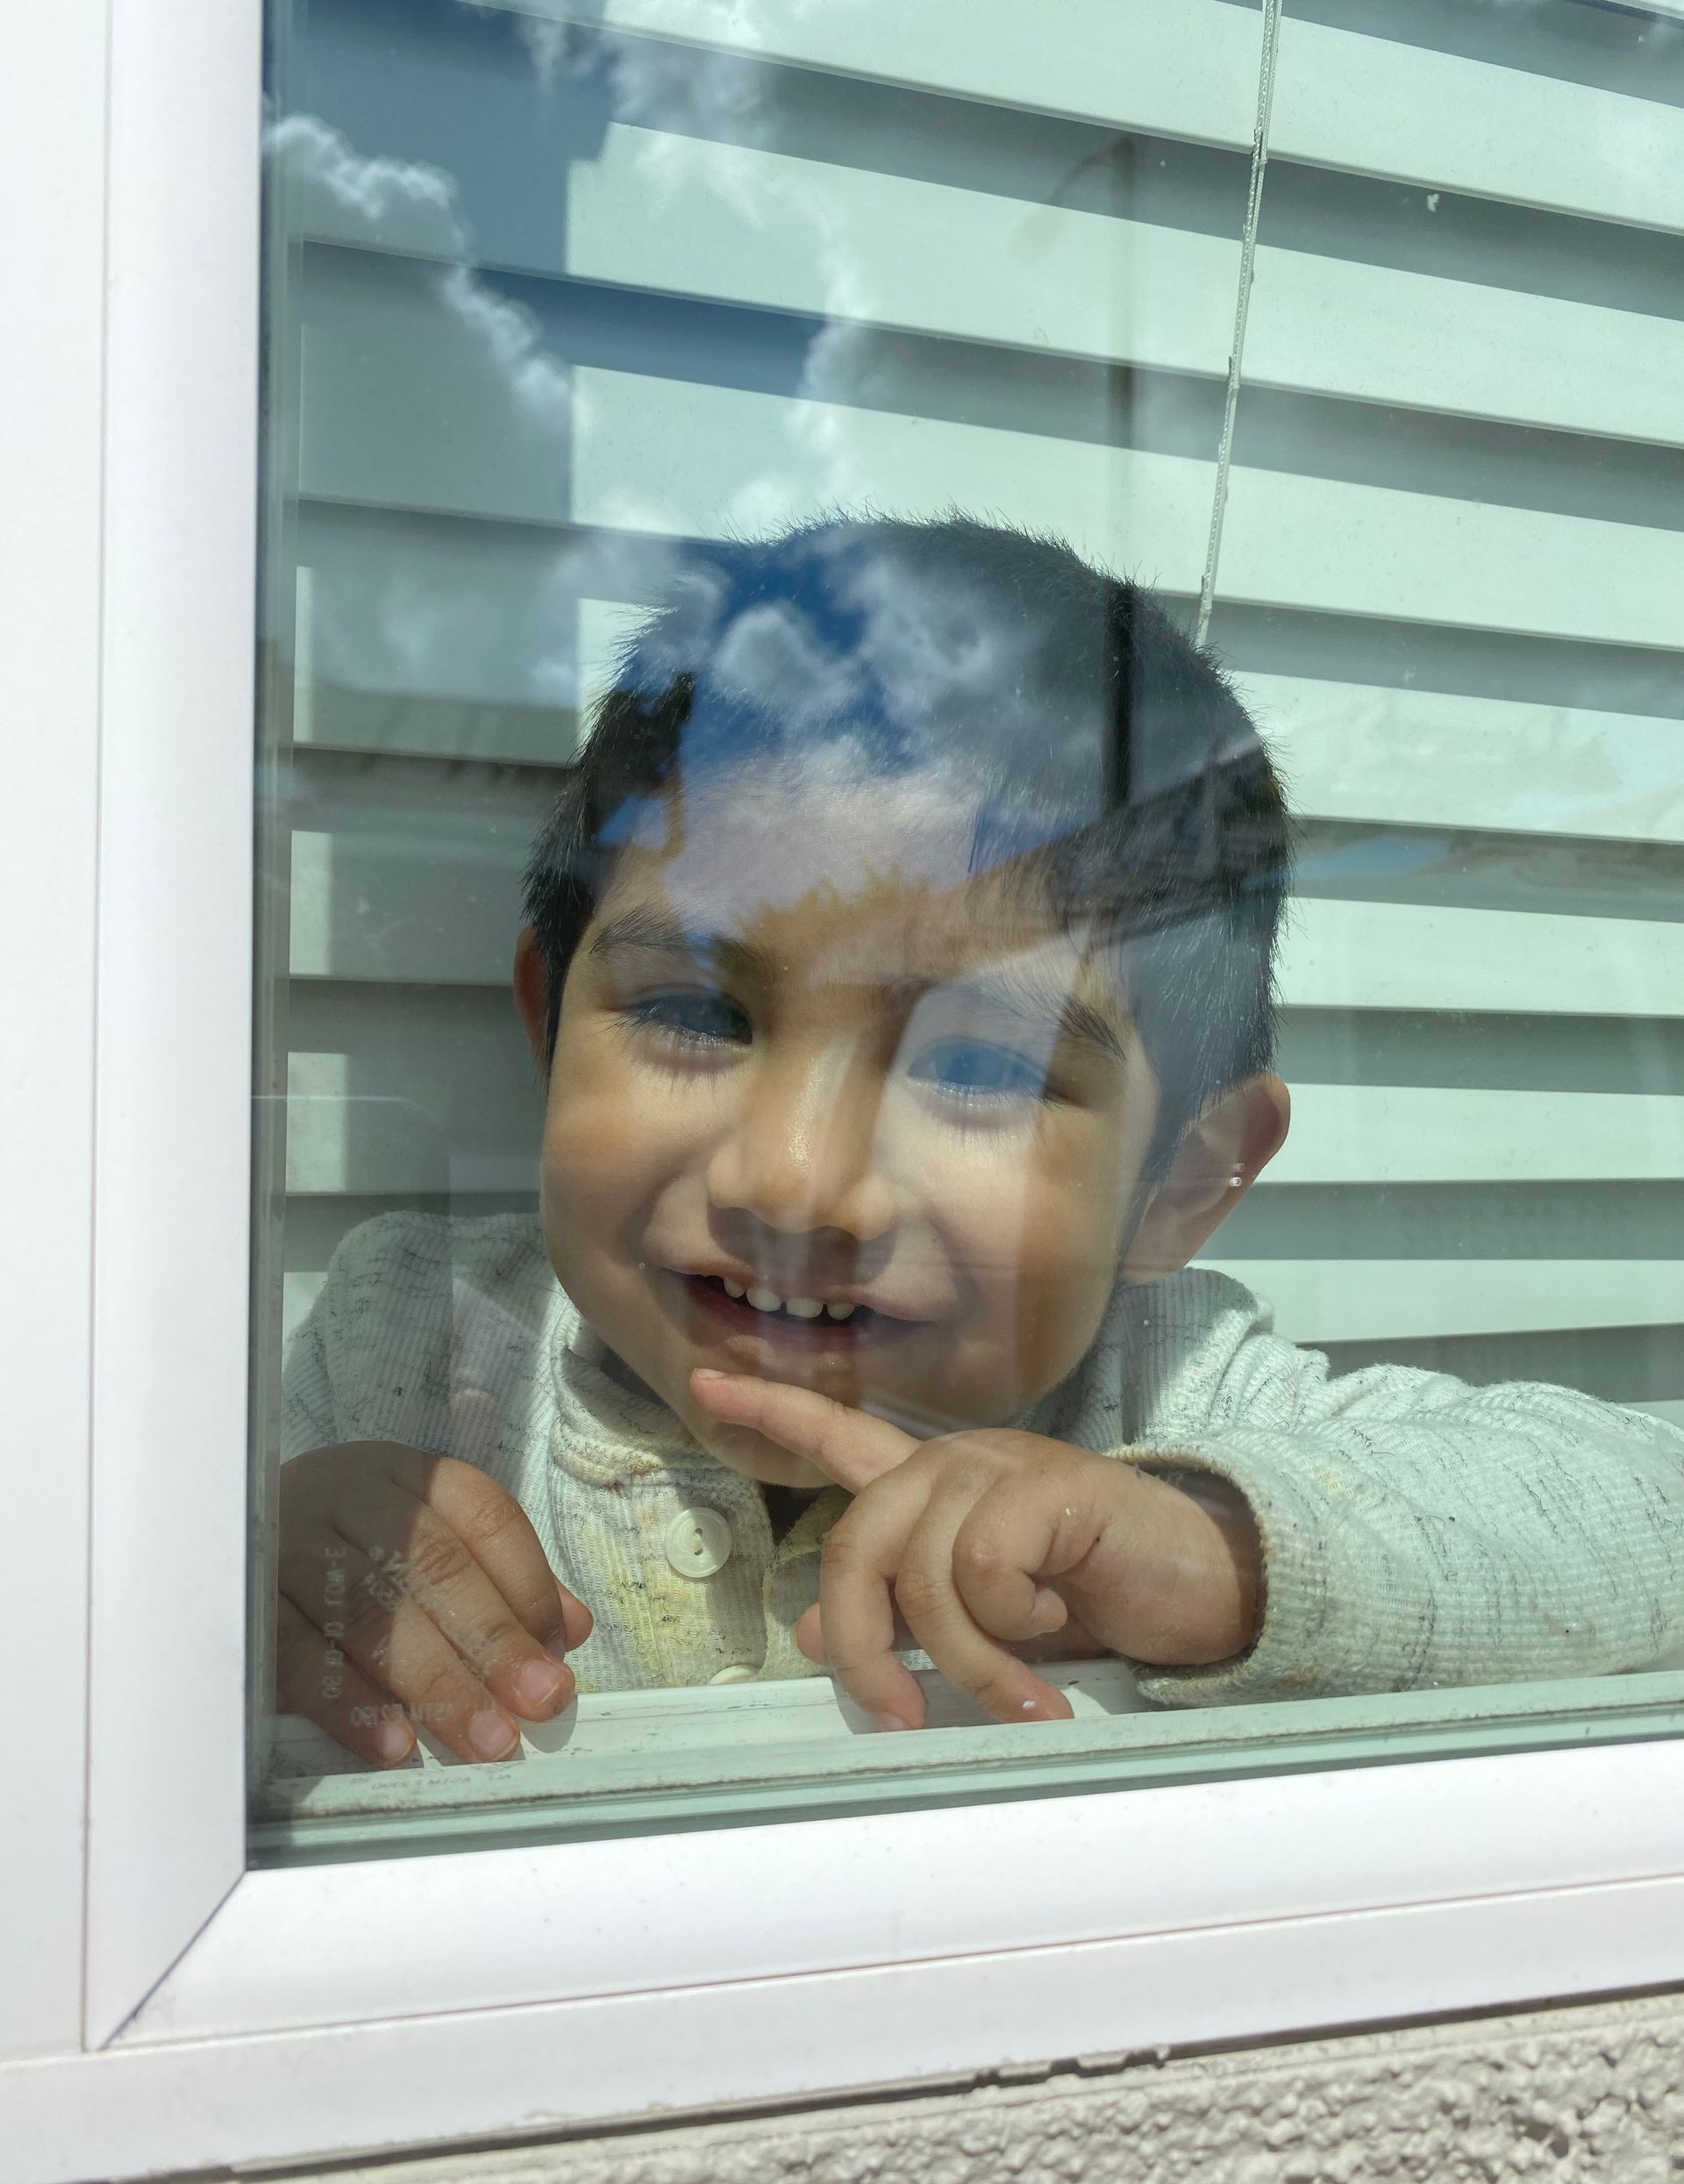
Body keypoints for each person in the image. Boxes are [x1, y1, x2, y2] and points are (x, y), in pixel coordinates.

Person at [279, 516, 1684, 1768]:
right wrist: (251, 1568)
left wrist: (1208, 1541)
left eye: (974, 1062)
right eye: (700, 1012)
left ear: (1181, 1182)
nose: (793, 1181)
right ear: (548, 1022)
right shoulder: (416, 1348)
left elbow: (1650, 1514)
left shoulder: (1174, 1394)